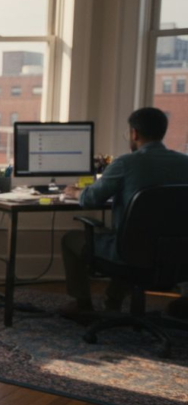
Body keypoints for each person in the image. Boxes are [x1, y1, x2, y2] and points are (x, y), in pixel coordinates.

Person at [61, 107, 188, 312]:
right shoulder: (185, 163)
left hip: (131, 254)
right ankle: (113, 299)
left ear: (134, 133)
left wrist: (76, 192)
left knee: (71, 240)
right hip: (178, 256)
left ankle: (82, 306)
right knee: (135, 241)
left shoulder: (125, 163)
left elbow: (91, 199)